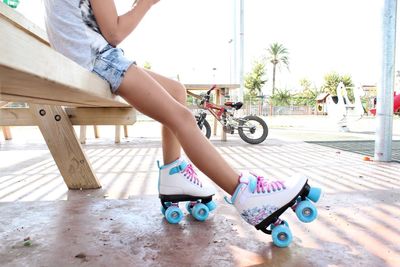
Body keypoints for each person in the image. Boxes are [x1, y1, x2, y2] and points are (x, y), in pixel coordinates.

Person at [43, 0, 321, 247]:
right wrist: (145, 4)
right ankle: (247, 195)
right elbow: (114, 33)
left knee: (177, 90)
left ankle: (174, 177)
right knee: (184, 118)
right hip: (97, 60)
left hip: (87, 58)